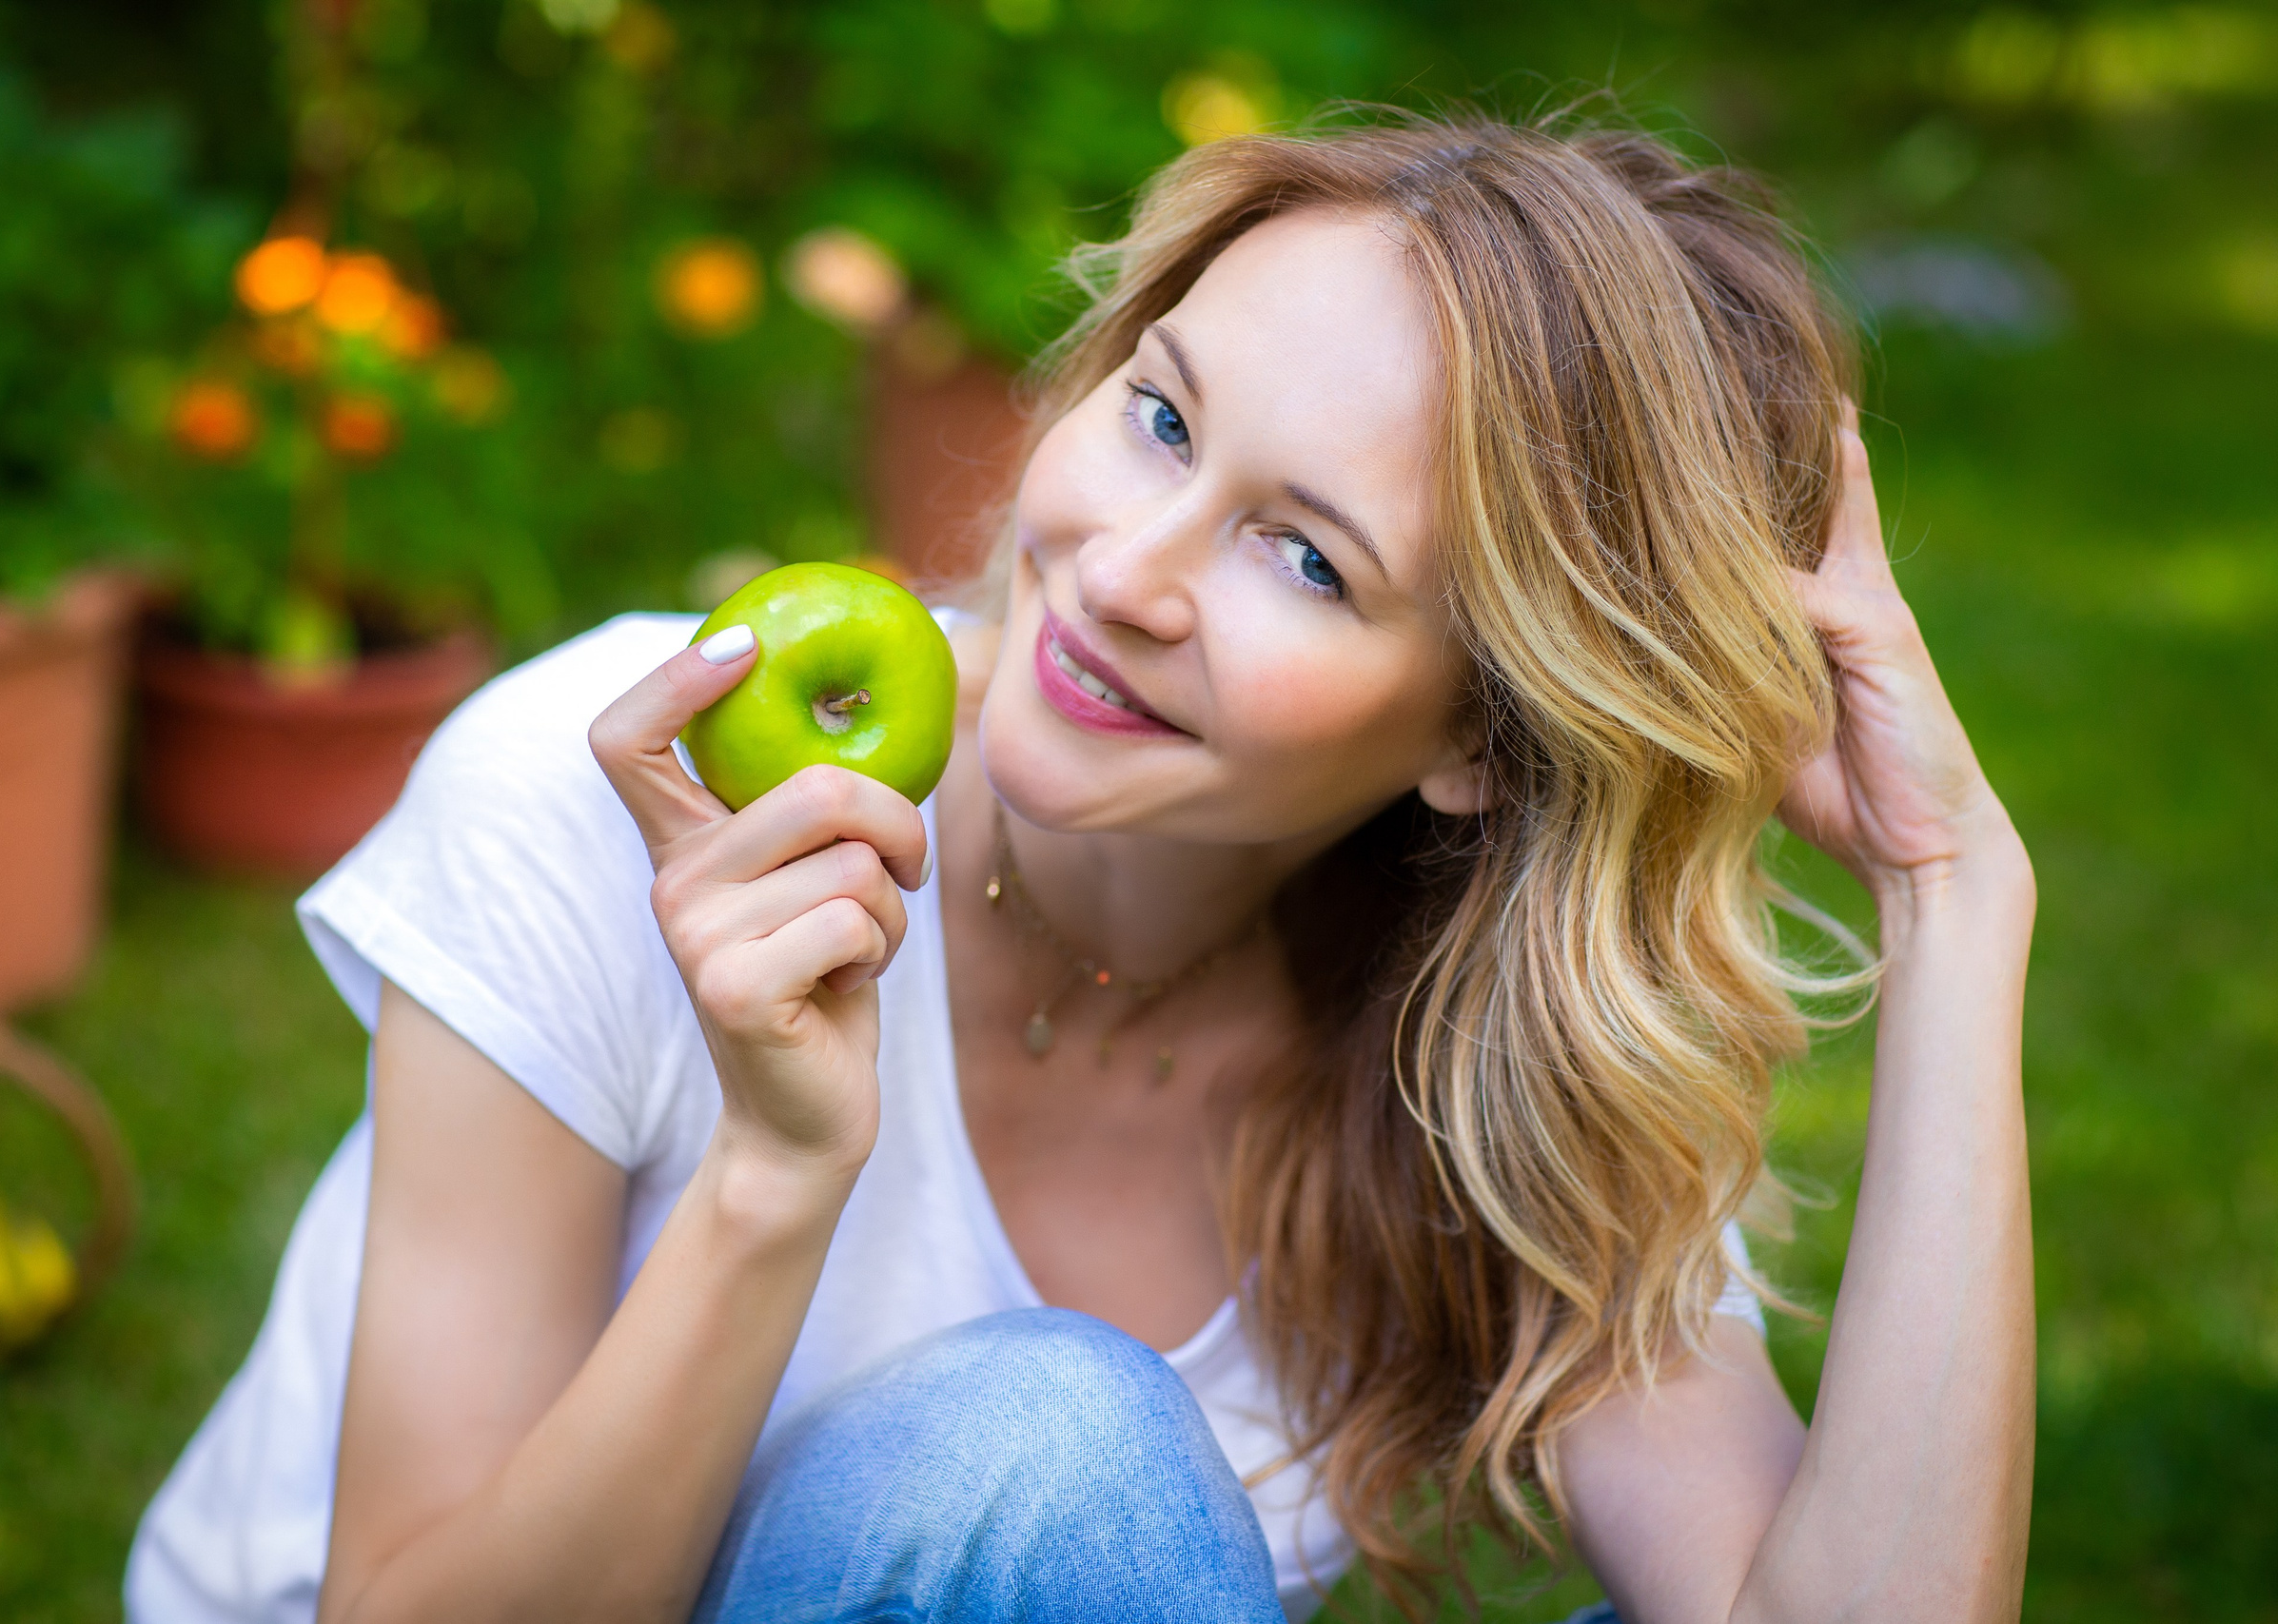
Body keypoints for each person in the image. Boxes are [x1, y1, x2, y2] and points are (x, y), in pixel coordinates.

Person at [128, 111, 2035, 1624]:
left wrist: (1953, 892)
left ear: (1476, 735)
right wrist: (774, 1178)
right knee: (1044, 1447)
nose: (1119, 568)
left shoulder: (1480, 1055)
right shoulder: (620, 787)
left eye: (1303, 556)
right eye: (1158, 415)